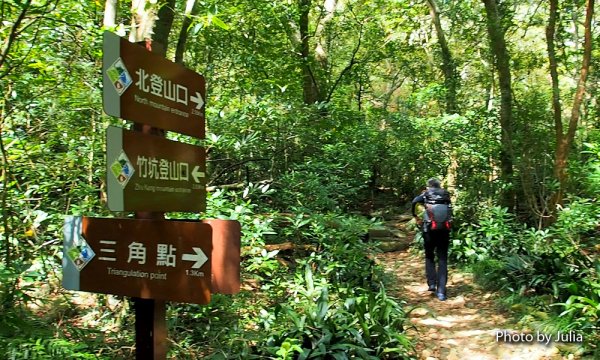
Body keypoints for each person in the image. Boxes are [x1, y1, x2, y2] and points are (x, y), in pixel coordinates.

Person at [411, 178, 452, 301]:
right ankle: (441, 292)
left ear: (429, 186)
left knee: (429, 256)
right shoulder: (445, 194)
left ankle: (432, 284)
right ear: (439, 186)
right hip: (444, 229)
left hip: (429, 229)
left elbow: (414, 202)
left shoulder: (426, 194)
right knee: (443, 258)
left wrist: (415, 215)